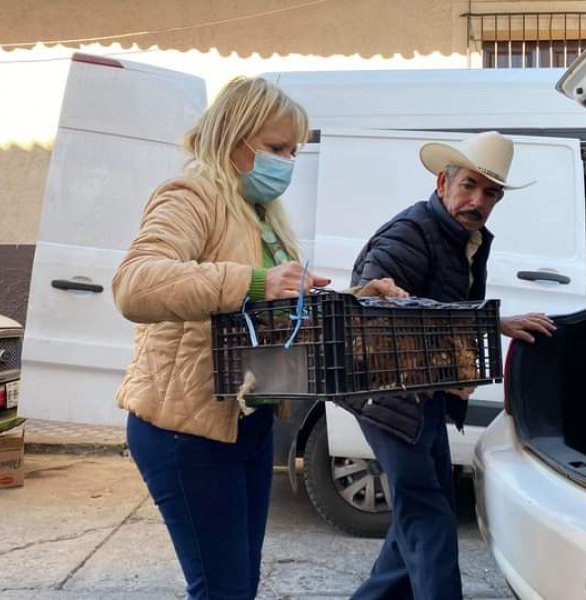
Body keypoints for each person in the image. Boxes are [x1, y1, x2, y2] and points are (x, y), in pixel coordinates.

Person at [111, 76, 331, 600]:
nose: (287, 162)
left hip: (246, 423)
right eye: (276, 148)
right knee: (222, 591)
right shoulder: (193, 195)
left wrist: (360, 296)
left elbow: (276, 306)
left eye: (292, 150)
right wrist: (252, 282)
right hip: (187, 430)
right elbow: (135, 284)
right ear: (234, 136)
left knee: (237, 588)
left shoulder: (260, 215)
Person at [345, 131, 556, 599]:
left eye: (490, 193)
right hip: (390, 396)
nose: (477, 201)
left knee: (420, 514)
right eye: (468, 186)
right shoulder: (411, 231)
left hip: (423, 394)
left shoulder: (466, 237)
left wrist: (492, 323)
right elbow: (372, 305)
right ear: (443, 183)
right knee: (430, 517)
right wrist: (484, 322)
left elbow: (438, 305)